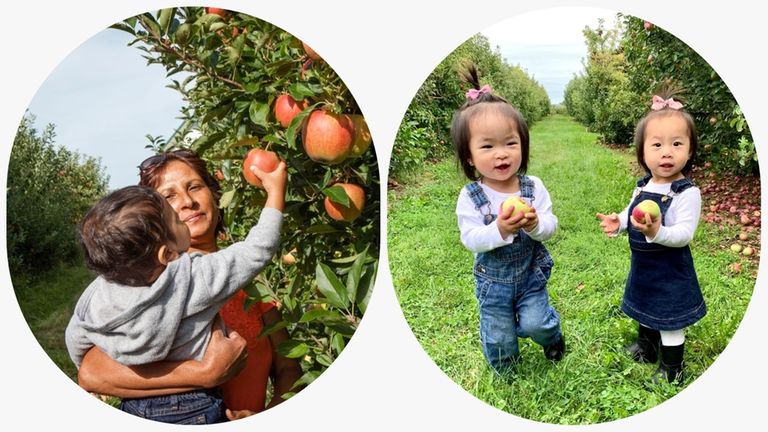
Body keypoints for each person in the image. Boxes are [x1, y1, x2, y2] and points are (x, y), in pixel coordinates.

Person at [75, 149, 302, 420]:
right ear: (150, 222)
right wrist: (204, 373)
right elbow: (91, 373)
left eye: (194, 186)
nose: (187, 201)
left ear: (213, 194)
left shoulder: (254, 283)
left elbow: (289, 370)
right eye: (168, 197)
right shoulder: (140, 289)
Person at [453, 65, 565, 375]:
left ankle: (552, 336)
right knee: (499, 336)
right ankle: (506, 371)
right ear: (469, 156)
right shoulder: (472, 197)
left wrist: (535, 225)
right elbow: (470, 238)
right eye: (487, 146)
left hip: (530, 276)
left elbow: (551, 226)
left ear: (523, 146)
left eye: (510, 143)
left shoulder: (533, 188)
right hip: (493, 284)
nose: (501, 154)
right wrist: (499, 229)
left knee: (537, 324)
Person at [596, 90, 706, 384]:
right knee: (645, 305)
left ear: (690, 150)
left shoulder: (687, 193)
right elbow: (632, 212)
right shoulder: (644, 186)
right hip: (644, 267)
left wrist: (657, 232)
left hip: (670, 271)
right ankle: (647, 345)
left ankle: (673, 368)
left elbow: (684, 234)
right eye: (657, 144)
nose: (666, 152)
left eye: (677, 144)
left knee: (670, 318)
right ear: (643, 152)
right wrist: (618, 221)